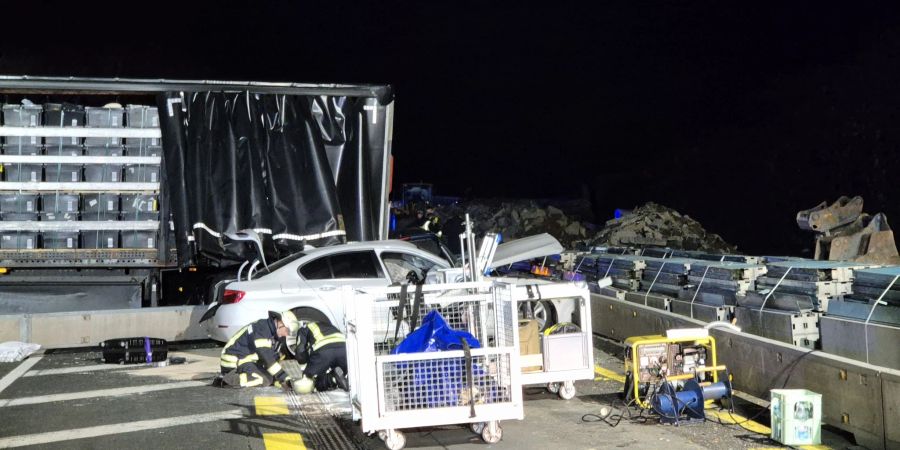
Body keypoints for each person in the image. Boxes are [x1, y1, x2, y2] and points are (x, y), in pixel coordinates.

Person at [217, 310, 300, 389]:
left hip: (245, 359)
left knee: (269, 377)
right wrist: (284, 378)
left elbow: (273, 357)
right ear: (280, 323)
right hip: (234, 362)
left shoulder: (270, 330)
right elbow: (267, 358)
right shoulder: (262, 329)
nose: (286, 335)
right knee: (264, 380)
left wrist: (279, 379)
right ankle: (227, 381)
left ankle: (232, 377)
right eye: (287, 330)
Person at [293, 321, 349, 393]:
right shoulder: (329, 325)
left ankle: (332, 379)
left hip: (324, 349)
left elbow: (300, 351)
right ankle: (337, 379)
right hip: (344, 349)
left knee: (309, 382)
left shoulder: (303, 329)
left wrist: (304, 367)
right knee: (341, 373)